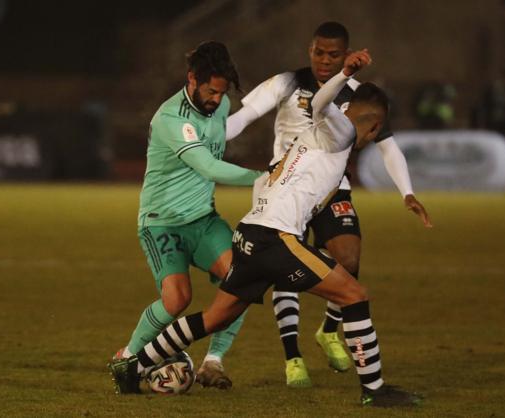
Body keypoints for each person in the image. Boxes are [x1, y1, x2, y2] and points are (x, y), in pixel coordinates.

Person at [109, 48, 431, 408]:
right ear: (373, 125)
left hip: (250, 232)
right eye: (376, 133)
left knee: (216, 317)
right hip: (274, 239)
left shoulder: (327, 128)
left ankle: (137, 365)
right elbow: (323, 99)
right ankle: (374, 390)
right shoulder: (340, 129)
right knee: (354, 295)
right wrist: (342, 75)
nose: (373, 139)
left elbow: (319, 109)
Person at [225, 21, 429, 387]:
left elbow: (388, 145)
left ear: (345, 54)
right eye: (319, 52)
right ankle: (293, 357)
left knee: (350, 259)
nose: (324, 60)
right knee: (284, 268)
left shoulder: (357, 94)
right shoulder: (286, 82)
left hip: (331, 188)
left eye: (333, 54)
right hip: (285, 189)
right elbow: (244, 117)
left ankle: (329, 330)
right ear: (310, 50)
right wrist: (208, 141)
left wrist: (407, 192)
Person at [109, 41, 262, 390]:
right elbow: (208, 166)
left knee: (242, 279)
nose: (216, 99)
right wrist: (263, 178)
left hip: (203, 220)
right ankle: (128, 358)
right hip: (161, 221)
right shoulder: (170, 118)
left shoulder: (220, 104)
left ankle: (213, 362)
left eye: (222, 92)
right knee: (177, 299)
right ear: (191, 79)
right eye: (210, 90)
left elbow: (226, 127)